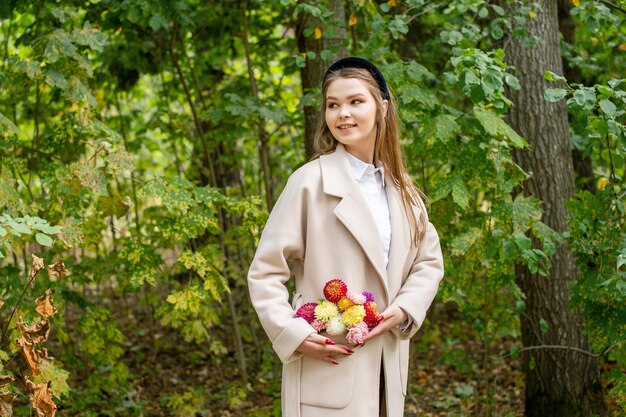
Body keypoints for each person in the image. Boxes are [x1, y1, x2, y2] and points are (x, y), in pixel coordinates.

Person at [247, 57, 444, 417]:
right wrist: (294, 335)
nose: (343, 114)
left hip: (387, 371)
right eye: (333, 105)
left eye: (356, 102)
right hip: (329, 370)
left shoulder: (402, 189)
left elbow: (428, 262)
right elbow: (265, 272)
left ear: (382, 107)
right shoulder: (308, 183)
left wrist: (403, 309)